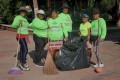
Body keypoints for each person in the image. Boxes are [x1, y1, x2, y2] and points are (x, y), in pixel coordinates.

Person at [11, 6, 30, 71]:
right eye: (22, 11)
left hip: (25, 36)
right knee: (25, 50)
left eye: (24, 11)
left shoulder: (25, 19)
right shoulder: (17, 17)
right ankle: (23, 63)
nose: (23, 12)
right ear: (19, 12)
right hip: (20, 36)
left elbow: (29, 25)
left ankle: (20, 63)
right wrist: (18, 22)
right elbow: (13, 25)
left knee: (22, 50)